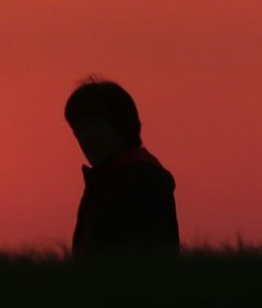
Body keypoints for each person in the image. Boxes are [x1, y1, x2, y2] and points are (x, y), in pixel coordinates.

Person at [64, 78, 180, 255]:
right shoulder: (104, 181)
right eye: (79, 130)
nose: (85, 138)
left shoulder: (143, 179)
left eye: (94, 125)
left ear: (120, 125)